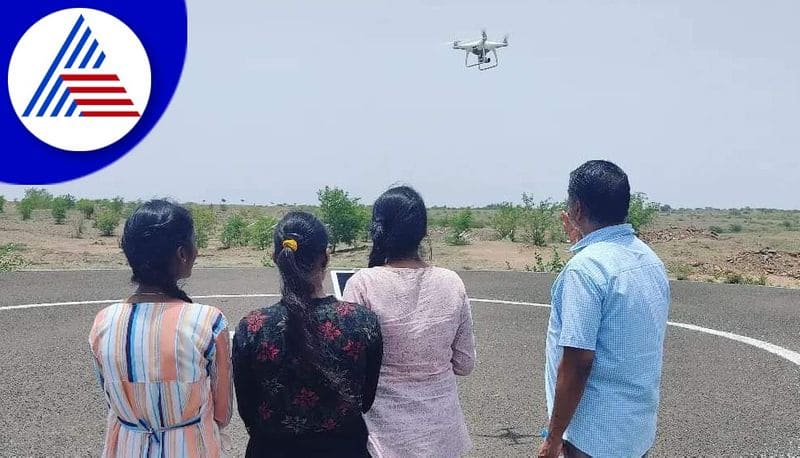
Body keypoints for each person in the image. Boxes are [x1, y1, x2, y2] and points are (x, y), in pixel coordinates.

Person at [538, 160, 671, 458]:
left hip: (593, 437)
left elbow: (577, 362)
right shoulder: (649, 260)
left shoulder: (584, 270)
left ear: (577, 210)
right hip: (635, 429)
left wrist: (553, 437)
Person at [232, 211, 383, 458]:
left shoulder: (253, 327)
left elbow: (248, 410)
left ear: (275, 257)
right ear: (325, 257)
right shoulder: (361, 322)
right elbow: (365, 400)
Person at [88, 200, 233, 457]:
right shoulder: (209, 321)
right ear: (181, 253)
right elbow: (222, 412)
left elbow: (110, 399)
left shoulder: (103, 322)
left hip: (126, 447)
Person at [343, 186, 476, 458]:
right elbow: (464, 363)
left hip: (382, 439)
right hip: (442, 436)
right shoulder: (451, 282)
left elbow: (350, 368)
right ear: (423, 232)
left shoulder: (362, 285)